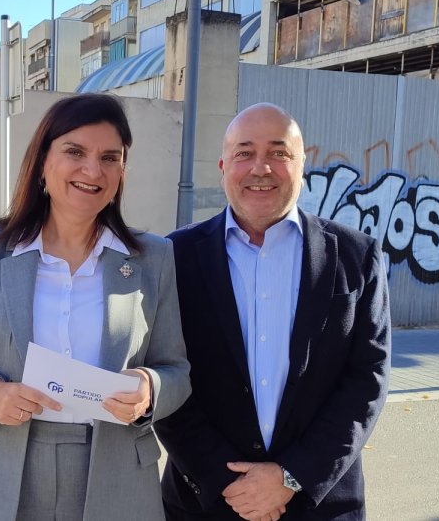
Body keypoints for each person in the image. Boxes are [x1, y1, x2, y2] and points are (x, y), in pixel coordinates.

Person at [0, 93, 191, 521]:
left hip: (114, 474)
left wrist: (149, 389)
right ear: (43, 162)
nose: (93, 170)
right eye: (75, 152)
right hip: (1, 468)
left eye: (110, 157)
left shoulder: (153, 258)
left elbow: (175, 371)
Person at [155, 103, 390, 521]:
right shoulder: (173, 257)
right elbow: (164, 376)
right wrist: (226, 481)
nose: (260, 168)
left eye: (279, 153)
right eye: (245, 153)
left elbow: (366, 380)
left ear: (303, 164)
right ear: (223, 165)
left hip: (320, 504)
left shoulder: (356, 256)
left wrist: (292, 477)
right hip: (206, 503)